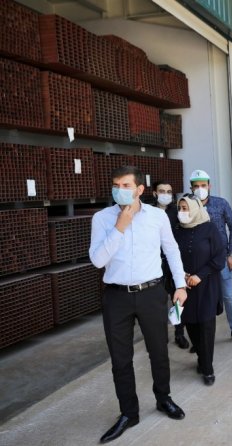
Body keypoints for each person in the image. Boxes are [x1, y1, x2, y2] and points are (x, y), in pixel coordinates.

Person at [90, 166, 187, 444]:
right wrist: (120, 226)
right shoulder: (102, 218)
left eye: (126, 185)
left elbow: (171, 250)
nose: (120, 190)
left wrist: (180, 285)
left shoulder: (157, 216)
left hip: (151, 293)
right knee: (120, 359)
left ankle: (163, 397)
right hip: (117, 296)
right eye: (116, 185)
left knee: (158, 351)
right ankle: (128, 413)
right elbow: (97, 260)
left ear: (140, 189)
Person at [189, 170, 232, 346]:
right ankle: (201, 338)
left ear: (209, 186)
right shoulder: (188, 205)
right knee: (201, 301)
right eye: (196, 186)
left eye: (203, 185)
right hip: (199, 264)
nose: (200, 189)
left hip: (221, 260)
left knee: (229, 297)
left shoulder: (221, 203)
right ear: (191, 188)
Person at [174, 195, 226, 386]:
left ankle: (207, 368)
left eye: (186, 208)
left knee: (206, 326)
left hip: (206, 285)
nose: (182, 212)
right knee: (190, 324)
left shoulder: (209, 228)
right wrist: (181, 276)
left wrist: (200, 275)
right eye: (180, 208)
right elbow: (170, 256)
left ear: (195, 209)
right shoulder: (176, 231)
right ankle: (201, 358)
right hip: (185, 287)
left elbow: (219, 256)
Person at [151, 180, 189, 350]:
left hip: (173, 262)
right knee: (157, 300)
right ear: (154, 193)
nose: (166, 194)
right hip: (155, 263)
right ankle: (160, 335)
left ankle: (179, 333)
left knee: (177, 299)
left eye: (169, 191)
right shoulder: (148, 212)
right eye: (162, 191)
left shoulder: (176, 212)